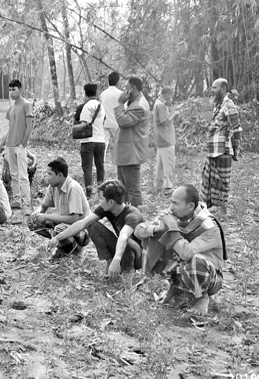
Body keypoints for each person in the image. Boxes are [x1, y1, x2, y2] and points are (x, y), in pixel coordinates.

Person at [134, 185, 226, 314]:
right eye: (171, 202)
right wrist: (158, 229)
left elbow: (186, 254)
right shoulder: (178, 214)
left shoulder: (209, 226)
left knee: (195, 259)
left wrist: (171, 227)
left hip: (209, 277)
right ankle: (174, 288)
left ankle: (203, 297)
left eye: (175, 203)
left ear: (190, 206)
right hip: (185, 270)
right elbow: (139, 231)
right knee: (157, 237)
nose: (171, 207)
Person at [50, 180, 144, 277]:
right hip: (122, 249)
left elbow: (124, 236)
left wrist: (117, 260)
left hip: (139, 254)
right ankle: (109, 261)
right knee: (92, 225)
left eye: (101, 198)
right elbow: (83, 223)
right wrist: (57, 238)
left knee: (126, 240)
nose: (100, 201)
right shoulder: (106, 208)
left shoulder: (133, 214)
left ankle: (128, 271)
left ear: (111, 202)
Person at [29, 157, 90, 259]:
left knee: (59, 229)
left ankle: (74, 249)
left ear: (60, 175)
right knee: (32, 221)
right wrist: (36, 214)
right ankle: (63, 243)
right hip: (64, 224)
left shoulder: (73, 188)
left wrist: (45, 216)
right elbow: (43, 206)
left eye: (50, 174)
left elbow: (74, 219)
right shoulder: (53, 186)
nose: (47, 177)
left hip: (81, 229)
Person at [200, 78, 243, 215]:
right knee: (209, 178)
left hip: (223, 150)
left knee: (222, 180)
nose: (211, 90)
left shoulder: (229, 106)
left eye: (214, 88)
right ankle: (209, 204)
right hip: (213, 150)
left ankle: (221, 207)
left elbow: (237, 130)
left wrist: (236, 150)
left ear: (223, 89)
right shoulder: (218, 105)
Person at [0, 79, 33, 213]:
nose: (12, 92)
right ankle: (16, 200)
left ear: (20, 89)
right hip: (10, 146)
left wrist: (23, 143)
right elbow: (10, 128)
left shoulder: (26, 105)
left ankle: (27, 204)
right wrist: (2, 144)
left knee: (23, 175)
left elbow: (29, 126)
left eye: (14, 89)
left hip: (20, 146)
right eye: (10, 90)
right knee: (14, 174)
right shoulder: (11, 108)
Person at [114, 76, 151, 207]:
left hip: (131, 153)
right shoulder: (135, 102)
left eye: (126, 88)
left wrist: (119, 104)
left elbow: (123, 122)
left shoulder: (139, 106)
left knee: (132, 189)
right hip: (126, 153)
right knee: (122, 187)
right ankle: (125, 214)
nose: (124, 91)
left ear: (133, 88)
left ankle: (136, 218)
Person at [78, 83, 106, 198]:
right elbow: (103, 120)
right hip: (100, 140)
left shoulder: (86, 106)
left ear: (85, 93)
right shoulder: (101, 106)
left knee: (87, 168)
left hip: (88, 141)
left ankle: (89, 193)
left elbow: (83, 124)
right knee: (100, 166)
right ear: (96, 92)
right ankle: (101, 191)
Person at [153, 87, 178, 195]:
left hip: (160, 138)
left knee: (160, 164)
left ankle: (158, 185)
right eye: (170, 95)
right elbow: (165, 122)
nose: (171, 97)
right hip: (166, 138)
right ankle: (168, 187)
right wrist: (174, 115)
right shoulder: (161, 105)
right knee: (169, 163)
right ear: (166, 94)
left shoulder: (157, 103)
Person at [99, 72, 122, 161]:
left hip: (104, 122)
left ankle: (100, 165)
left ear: (108, 82)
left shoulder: (103, 94)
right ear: (117, 82)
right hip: (116, 123)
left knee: (103, 145)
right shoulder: (120, 94)